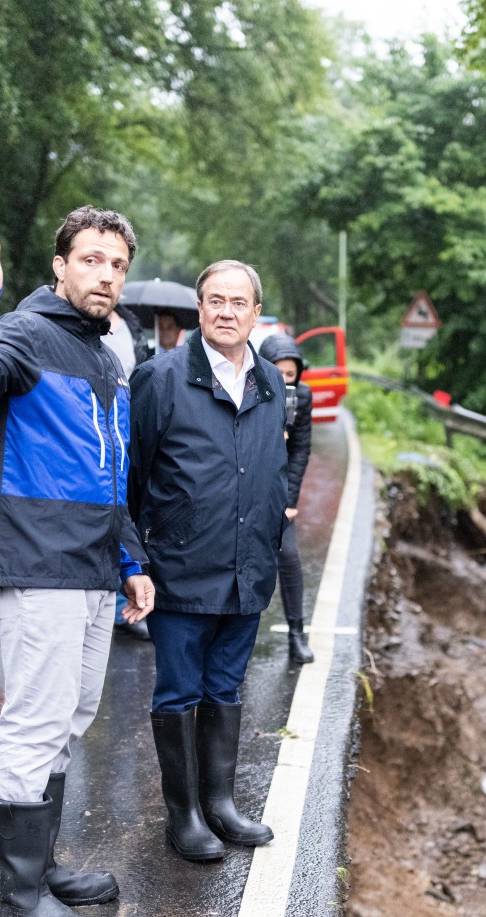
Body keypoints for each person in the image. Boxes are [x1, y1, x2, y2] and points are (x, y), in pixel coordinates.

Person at [0, 206, 155, 917]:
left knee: (69, 718)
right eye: (92, 259)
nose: (106, 275)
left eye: (117, 264)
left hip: (93, 569)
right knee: (34, 724)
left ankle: (42, 865)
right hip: (37, 567)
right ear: (60, 267)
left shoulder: (103, 357)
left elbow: (111, 475)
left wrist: (130, 562)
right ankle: (16, 902)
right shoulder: (26, 334)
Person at [128, 260, 288, 862]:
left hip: (247, 571)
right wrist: (135, 560)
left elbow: (271, 470)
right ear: (199, 311)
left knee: (226, 686)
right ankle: (185, 815)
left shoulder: (271, 383)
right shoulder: (161, 379)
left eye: (238, 302)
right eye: (215, 301)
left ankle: (219, 803)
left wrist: (270, 541)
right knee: (179, 692)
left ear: (254, 312)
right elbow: (130, 479)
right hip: (180, 571)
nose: (226, 312)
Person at [257, 333, 315, 664]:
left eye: (290, 374)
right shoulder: (247, 392)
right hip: (241, 489)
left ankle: (297, 634)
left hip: (279, 492)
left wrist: (290, 501)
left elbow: (301, 450)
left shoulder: (302, 398)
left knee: (289, 557)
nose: (283, 380)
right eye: (276, 372)